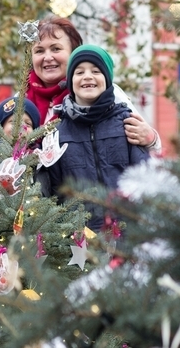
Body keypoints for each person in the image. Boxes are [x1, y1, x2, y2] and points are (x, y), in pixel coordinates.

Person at [39, 45, 151, 231]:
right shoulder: (57, 132)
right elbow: (54, 192)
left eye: (96, 71)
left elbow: (146, 177)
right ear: (70, 81)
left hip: (127, 234)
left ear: (107, 79)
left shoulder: (128, 123)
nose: (87, 76)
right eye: (79, 72)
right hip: (78, 239)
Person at [28, 16, 161, 153]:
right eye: (39, 51)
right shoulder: (21, 100)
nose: (48, 57)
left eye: (56, 49)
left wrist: (151, 138)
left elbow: (149, 144)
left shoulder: (105, 92)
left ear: (73, 53)